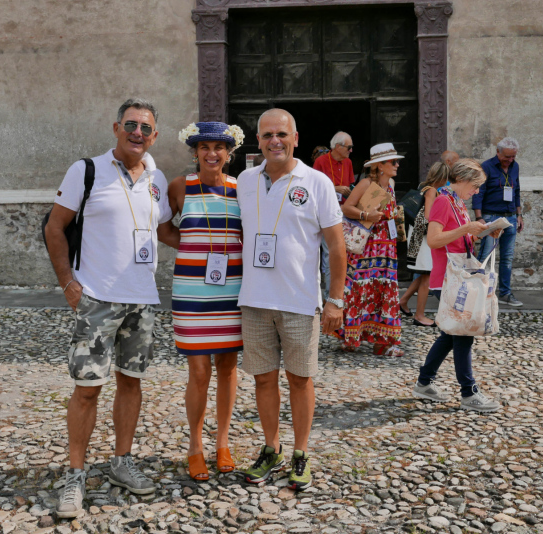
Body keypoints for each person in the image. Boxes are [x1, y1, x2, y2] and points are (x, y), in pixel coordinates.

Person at [45, 98, 179, 518]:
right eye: (131, 125)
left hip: (143, 300)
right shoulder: (86, 170)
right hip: (98, 299)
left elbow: (164, 231)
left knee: (131, 383)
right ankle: (75, 475)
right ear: (116, 128)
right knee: (87, 389)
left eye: (146, 128)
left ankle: (122, 462)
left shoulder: (157, 177)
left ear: (154, 136)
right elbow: (54, 227)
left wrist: (219, 241)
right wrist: (69, 283)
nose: (138, 133)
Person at [236, 108, 345, 491]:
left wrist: (335, 300)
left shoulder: (317, 182)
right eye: (267, 135)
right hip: (254, 300)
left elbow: (336, 246)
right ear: (258, 140)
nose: (274, 141)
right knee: (264, 380)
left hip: (299, 301)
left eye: (281, 134)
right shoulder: (245, 181)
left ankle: (301, 452)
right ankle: (272, 448)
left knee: (300, 380)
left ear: (295, 138)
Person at [169, 121, 245, 481]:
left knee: (228, 367)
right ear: (195, 152)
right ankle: (195, 445)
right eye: (204, 147)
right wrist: (190, 246)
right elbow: (160, 226)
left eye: (219, 147)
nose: (212, 153)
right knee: (199, 371)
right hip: (191, 293)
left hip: (231, 291)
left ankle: (223, 442)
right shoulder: (179, 187)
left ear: (229, 153)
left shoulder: (241, 189)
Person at [413, 158, 502, 412]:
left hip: (455, 276)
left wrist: (482, 232)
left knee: (450, 335)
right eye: (475, 186)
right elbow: (433, 240)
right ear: (461, 180)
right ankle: (468, 393)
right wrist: (466, 229)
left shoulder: (457, 202)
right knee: (462, 334)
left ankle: (424, 383)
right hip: (448, 278)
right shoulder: (444, 201)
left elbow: (458, 237)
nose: (477, 191)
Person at [335, 142, 403, 356]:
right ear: (380, 165)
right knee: (359, 288)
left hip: (386, 247)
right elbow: (346, 208)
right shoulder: (365, 184)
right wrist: (366, 215)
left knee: (384, 290)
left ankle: (383, 341)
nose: (397, 165)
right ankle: (351, 337)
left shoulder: (390, 184)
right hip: (366, 246)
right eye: (393, 162)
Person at [472, 137, 524, 307]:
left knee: (507, 257)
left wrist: (519, 214)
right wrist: (479, 217)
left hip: (510, 216)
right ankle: (477, 291)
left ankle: (505, 293)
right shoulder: (486, 167)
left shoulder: (515, 166)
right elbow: (478, 192)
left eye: (513, 157)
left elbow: (516, 191)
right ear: (498, 152)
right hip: (490, 216)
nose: (510, 160)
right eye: (507, 157)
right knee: (485, 255)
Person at [400, 161, 451, 327]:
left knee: (423, 273)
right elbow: (429, 216)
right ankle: (419, 316)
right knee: (427, 275)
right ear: (442, 177)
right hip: (423, 239)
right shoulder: (432, 191)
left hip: (418, 235)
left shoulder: (423, 186)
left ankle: (403, 301)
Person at [313, 132, 355, 299]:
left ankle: (343, 293)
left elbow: (350, 184)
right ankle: (330, 296)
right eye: (349, 147)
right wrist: (336, 188)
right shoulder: (321, 161)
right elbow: (313, 188)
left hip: (344, 212)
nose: (351, 150)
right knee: (330, 253)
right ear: (337, 147)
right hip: (325, 212)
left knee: (345, 252)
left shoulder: (348, 162)